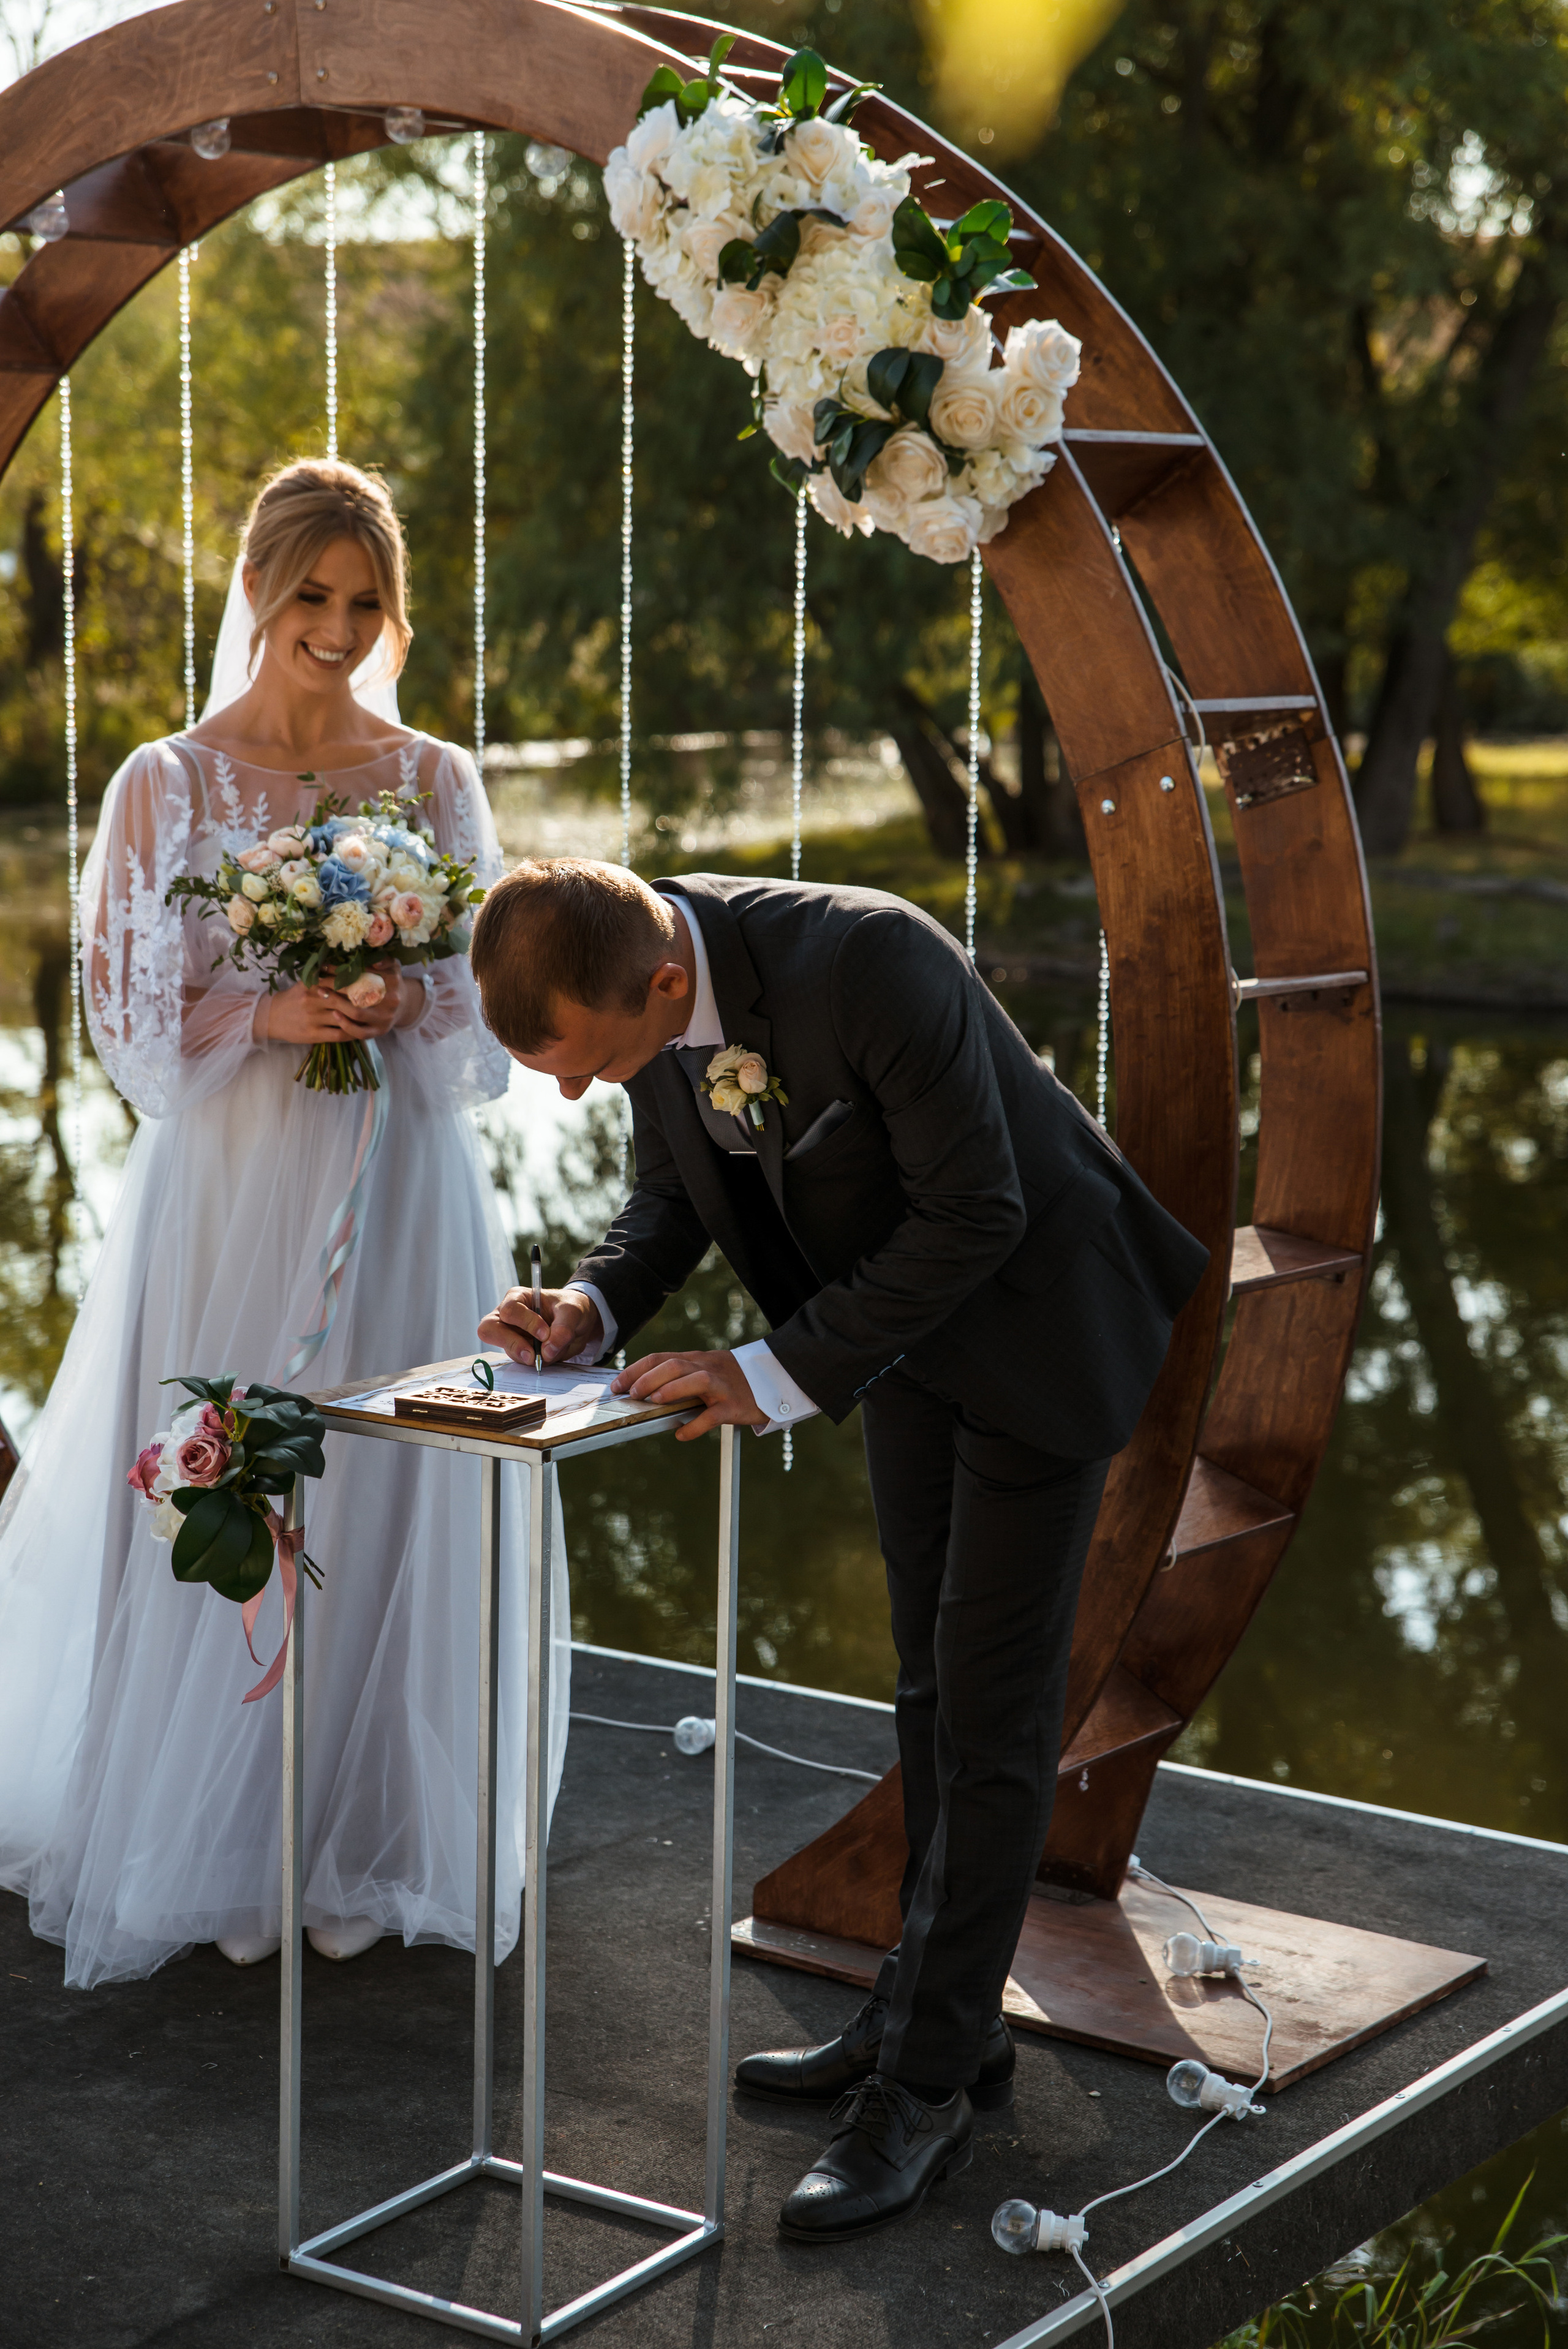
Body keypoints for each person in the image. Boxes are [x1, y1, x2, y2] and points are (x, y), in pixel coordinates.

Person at [471, 857, 1208, 2245]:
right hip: (899, 1337)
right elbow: (673, 1192)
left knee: (990, 1710)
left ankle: (924, 2090)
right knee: (927, 1683)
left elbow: (977, 1209)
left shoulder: (872, 962)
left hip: (1036, 1325)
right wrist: (591, 1300)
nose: (574, 1091)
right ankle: (943, 2020)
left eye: (593, 1062)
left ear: (666, 984)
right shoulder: (636, 967)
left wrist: (766, 1367)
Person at [0, 459, 569, 1990]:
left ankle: (362, 1833)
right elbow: (126, 1025)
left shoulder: (435, 778)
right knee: (234, 1467)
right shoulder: (164, 783)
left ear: (393, 610)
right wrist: (270, 1004)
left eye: (363, 598)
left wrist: (395, 994)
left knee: (389, 1486)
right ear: (256, 587)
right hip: (238, 1177)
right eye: (310, 591)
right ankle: (214, 1842)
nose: (335, 623)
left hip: (394, 1180)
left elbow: (476, 1023)